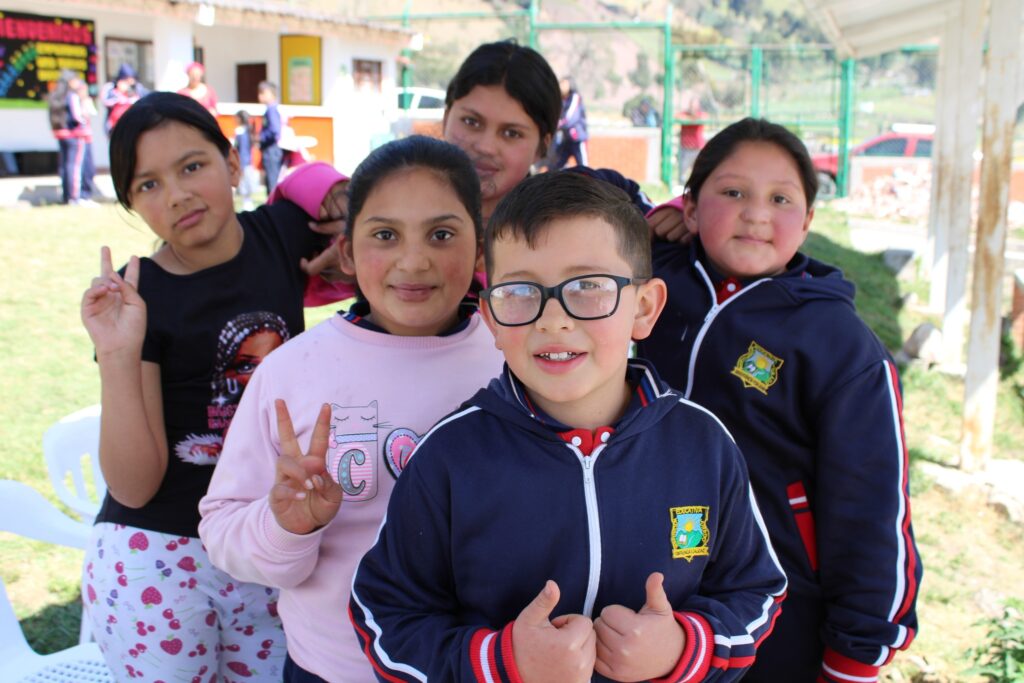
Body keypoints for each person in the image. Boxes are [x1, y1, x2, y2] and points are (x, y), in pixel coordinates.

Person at [350, 171, 788, 682]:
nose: (553, 320)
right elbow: (386, 617)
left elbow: (756, 591)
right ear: (491, 319)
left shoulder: (703, 444)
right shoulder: (449, 457)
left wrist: (683, 649)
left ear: (644, 309)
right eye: (519, 292)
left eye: (588, 287)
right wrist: (502, 662)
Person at [198, 135, 506, 683]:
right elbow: (223, 530)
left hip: (482, 666)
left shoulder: (515, 360)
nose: (414, 260)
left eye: (442, 234)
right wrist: (285, 526)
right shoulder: (291, 372)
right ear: (346, 252)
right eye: (385, 235)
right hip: (334, 669)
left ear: (480, 250)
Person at [637, 117, 922, 682]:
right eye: (733, 192)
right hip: (635, 588)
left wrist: (855, 656)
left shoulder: (840, 345)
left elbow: (870, 508)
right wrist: (646, 221)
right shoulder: (646, 283)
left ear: (809, 221)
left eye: (781, 198)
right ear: (691, 208)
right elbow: (585, 201)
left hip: (779, 614)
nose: (756, 213)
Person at [78, 91, 348, 683]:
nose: (175, 194)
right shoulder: (136, 294)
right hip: (158, 557)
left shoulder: (279, 234)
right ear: (132, 205)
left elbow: (339, 188)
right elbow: (133, 484)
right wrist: (118, 352)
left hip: (264, 542)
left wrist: (324, 187)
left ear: (232, 164)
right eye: (147, 185)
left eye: (192, 166)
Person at [49, 70, 91, 205]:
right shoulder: (72, 96)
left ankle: (66, 196)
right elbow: (78, 116)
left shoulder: (56, 95)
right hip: (74, 135)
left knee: (65, 165)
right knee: (75, 166)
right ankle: (74, 197)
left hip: (62, 134)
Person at [553, 76, 589, 169]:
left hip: (577, 139)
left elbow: (570, 117)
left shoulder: (575, 98)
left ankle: (587, 183)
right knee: (555, 165)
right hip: (566, 139)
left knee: (583, 167)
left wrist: (557, 125)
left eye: (564, 84)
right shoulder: (561, 99)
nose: (561, 87)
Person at [100, 63, 146, 134]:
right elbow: (105, 101)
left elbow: (144, 101)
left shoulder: (138, 87)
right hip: (114, 126)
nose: (130, 82)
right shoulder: (111, 87)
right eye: (127, 79)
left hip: (133, 125)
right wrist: (119, 94)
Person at [258, 80, 284, 194]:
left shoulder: (271, 109)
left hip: (271, 149)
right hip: (272, 149)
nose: (260, 96)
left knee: (272, 182)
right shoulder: (272, 109)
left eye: (262, 93)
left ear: (270, 94)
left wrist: (261, 137)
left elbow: (274, 130)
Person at [676, 89, 705, 187]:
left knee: (698, 170)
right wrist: (690, 118)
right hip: (686, 147)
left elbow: (703, 118)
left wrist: (693, 118)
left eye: (695, 105)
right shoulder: (685, 114)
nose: (693, 107)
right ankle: (681, 186)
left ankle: (696, 187)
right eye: (692, 105)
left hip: (697, 147)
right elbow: (678, 117)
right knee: (683, 170)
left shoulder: (701, 114)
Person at [234, 110, 259, 210]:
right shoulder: (247, 131)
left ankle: (247, 205)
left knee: (245, 185)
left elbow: (243, 150)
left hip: (244, 162)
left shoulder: (241, 132)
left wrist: (242, 165)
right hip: (247, 162)